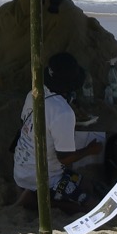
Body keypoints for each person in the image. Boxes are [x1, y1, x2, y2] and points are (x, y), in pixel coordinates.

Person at [12, 52, 105, 212]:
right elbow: (65, 159)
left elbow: (25, 123)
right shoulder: (63, 113)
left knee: (87, 185)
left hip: (21, 169)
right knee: (91, 206)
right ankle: (34, 200)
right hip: (44, 178)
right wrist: (90, 151)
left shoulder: (34, 93)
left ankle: (32, 194)